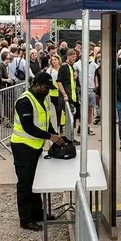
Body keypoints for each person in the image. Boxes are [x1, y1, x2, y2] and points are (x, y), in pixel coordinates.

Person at [10, 72, 64, 231]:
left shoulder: (42, 99)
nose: (48, 90)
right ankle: (26, 220)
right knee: (25, 183)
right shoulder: (25, 101)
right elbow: (28, 127)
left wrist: (55, 134)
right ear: (37, 85)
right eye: (46, 87)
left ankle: (38, 213)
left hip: (35, 146)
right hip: (23, 147)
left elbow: (45, 122)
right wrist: (49, 137)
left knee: (36, 181)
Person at [57, 49, 81, 143]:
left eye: (75, 57)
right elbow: (59, 82)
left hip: (72, 97)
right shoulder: (64, 67)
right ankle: (68, 139)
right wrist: (64, 94)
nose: (74, 58)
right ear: (68, 56)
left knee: (71, 119)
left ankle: (70, 138)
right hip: (66, 97)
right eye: (72, 56)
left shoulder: (71, 67)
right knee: (68, 120)